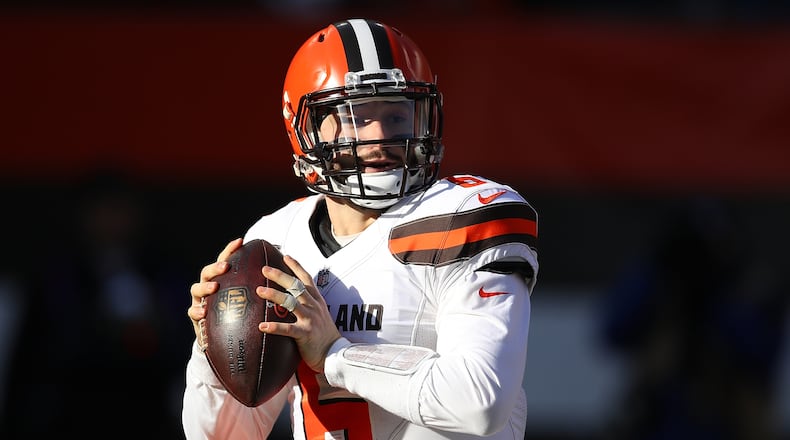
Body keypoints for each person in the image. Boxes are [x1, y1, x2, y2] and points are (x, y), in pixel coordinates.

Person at [183, 18, 539, 440]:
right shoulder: (277, 240)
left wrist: (335, 356)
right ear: (305, 129)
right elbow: (224, 437)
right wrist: (213, 353)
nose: (380, 137)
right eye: (356, 118)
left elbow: (481, 402)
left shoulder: (461, 216)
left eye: (395, 115)